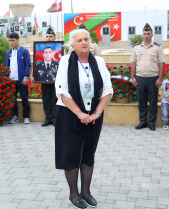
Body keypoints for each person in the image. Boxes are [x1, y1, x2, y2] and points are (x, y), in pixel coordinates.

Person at [55, 29, 113, 209]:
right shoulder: (65, 61)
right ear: (73, 45)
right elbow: (62, 91)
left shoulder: (99, 62)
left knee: (88, 154)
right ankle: (74, 194)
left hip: (94, 116)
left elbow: (108, 90)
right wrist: (79, 113)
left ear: (91, 42)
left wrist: (96, 112)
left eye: (86, 39)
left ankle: (86, 193)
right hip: (69, 115)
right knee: (71, 154)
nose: (84, 42)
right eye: (79, 40)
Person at [131, 23, 166, 130]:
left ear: (152, 35)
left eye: (148, 33)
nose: (146, 35)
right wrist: (133, 77)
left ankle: (151, 122)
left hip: (153, 78)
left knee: (153, 102)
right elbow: (133, 62)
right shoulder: (137, 47)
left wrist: (160, 78)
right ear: (142, 35)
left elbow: (162, 63)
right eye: (144, 33)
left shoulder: (157, 47)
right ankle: (142, 122)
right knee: (141, 101)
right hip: (140, 78)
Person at [34, 27, 59, 127]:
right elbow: (35, 64)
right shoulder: (40, 63)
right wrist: (33, 75)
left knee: (55, 98)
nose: (49, 38)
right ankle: (47, 118)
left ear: (54, 38)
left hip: (55, 80)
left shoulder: (58, 50)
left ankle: (54, 118)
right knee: (46, 99)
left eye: (51, 36)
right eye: (47, 36)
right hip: (44, 79)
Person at [5, 32, 31, 124]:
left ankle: (26, 116)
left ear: (18, 40)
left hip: (21, 79)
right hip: (11, 80)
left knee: (24, 98)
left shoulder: (24, 51)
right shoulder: (9, 52)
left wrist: (26, 76)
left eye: (13, 40)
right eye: (10, 41)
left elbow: (28, 64)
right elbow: (6, 66)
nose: (11, 42)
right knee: (13, 99)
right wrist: (6, 78)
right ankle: (15, 116)